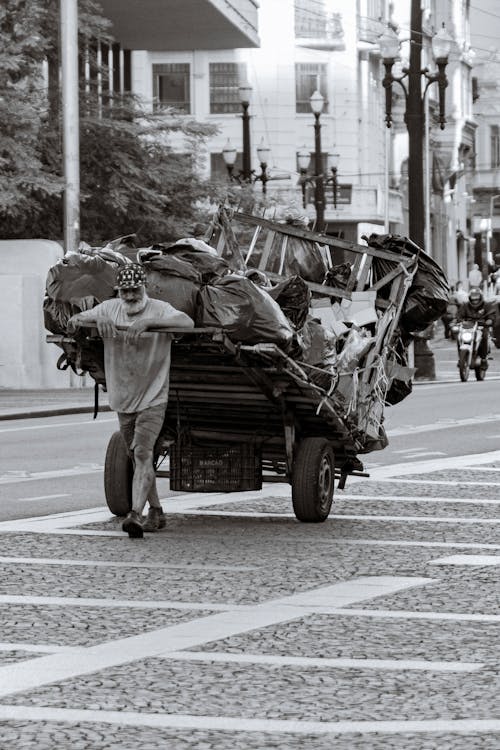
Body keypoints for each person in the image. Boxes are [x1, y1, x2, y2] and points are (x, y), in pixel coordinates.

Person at [67, 264, 195, 538]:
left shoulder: (159, 309)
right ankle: (157, 511)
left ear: (144, 287)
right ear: (118, 292)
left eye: (135, 290)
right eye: (125, 291)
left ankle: (135, 514)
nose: (131, 296)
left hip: (153, 395)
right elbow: (74, 321)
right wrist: (92, 322)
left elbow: (188, 323)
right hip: (122, 397)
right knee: (138, 457)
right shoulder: (109, 308)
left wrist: (149, 323)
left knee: (142, 452)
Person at [456, 287, 494, 365]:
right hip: (468, 326)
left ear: (480, 297)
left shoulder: (486, 305)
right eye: (473, 298)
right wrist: (458, 321)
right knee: (459, 337)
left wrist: (489, 320)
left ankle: (483, 359)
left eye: (477, 297)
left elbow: (491, 314)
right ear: (470, 298)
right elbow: (459, 315)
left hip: (482, 326)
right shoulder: (465, 305)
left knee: (485, 336)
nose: (475, 300)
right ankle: (461, 358)